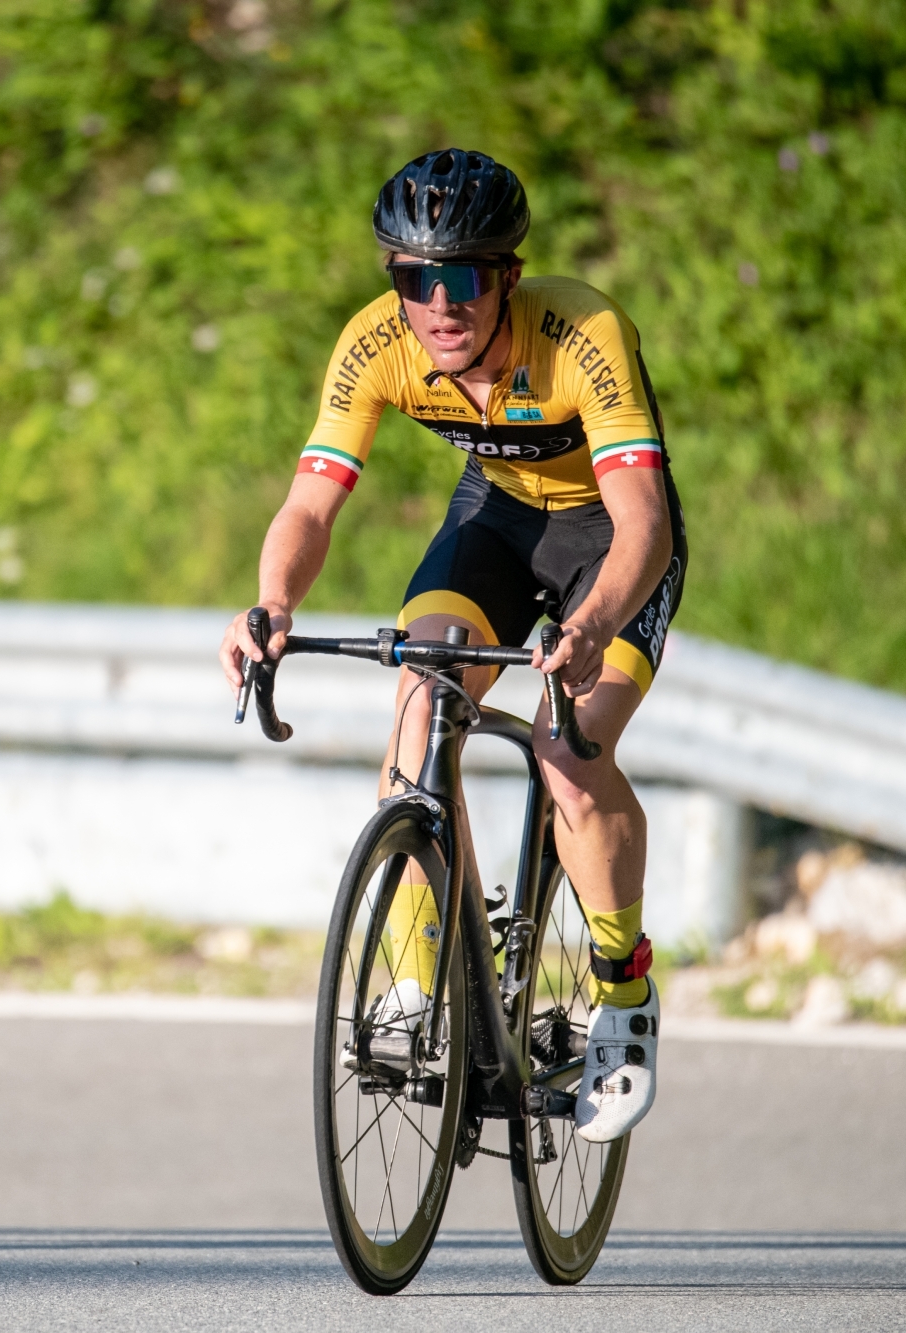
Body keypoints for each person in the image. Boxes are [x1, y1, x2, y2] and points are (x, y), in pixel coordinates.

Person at [218, 148, 686, 1143]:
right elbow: (310, 501)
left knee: (567, 753)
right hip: (493, 519)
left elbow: (641, 519)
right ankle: (418, 982)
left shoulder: (580, 335)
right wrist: (269, 603)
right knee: (421, 701)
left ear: (506, 276)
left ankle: (622, 986)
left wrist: (591, 623)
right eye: (414, 279)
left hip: (609, 540)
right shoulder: (373, 343)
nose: (440, 303)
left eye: (465, 277)